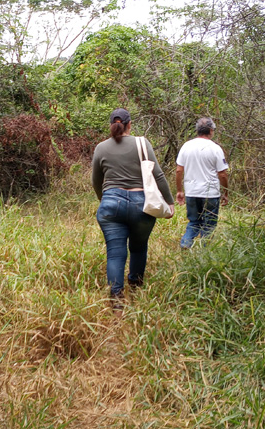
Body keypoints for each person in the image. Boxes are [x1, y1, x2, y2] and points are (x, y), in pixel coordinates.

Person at [92, 108, 175, 312]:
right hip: (141, 205)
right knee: (138, 248)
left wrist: (105, 200)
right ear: (129, 124)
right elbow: (158, 175)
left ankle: (116, 301)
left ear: (111, 125)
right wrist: (169, 202)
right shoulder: (142, 143)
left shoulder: (101, 148)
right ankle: (136, 290)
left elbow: (96, 180)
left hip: (111, 204)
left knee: (115, 254)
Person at [175, 117, 229, 248]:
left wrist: (180, 190)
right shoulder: (215, 148)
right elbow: (222, 174)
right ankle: (205, 250)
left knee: (194, 222)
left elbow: (179, 170)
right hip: (211, 193)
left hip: (191, 192)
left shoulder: (186, 146)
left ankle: (186, 244)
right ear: (211, 130)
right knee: (209, 224)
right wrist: (225, 192)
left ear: (197, 130)